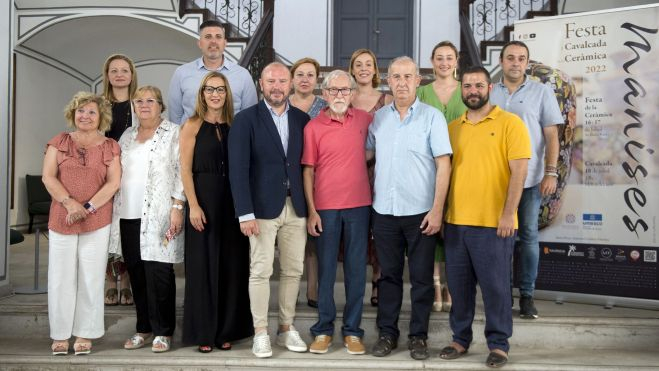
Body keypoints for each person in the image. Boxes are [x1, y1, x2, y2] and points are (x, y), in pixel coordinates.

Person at [439, 65, 531, 368]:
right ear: (461, 90)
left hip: (495, 224)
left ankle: (499, 344)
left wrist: (508, 214)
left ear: (489, 88)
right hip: (456, 223)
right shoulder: (453, 128)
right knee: (459, 288)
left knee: (495, 287)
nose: (472, 91)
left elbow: (519, 172)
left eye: (478, 85)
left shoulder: (510, 124)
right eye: (467, 86)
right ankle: (460, 339)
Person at [366, 56, 452, 360]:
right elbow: (364, 158)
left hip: (420, 213)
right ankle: (387, 334)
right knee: (387, 277)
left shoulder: (432, 118)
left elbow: (444, 165)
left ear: (418, 80)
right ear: (388, 81)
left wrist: (437, 209)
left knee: (421, 279)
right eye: (396, 77)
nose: (401, 83)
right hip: (384, 212)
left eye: (408, 77)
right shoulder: (379, 119)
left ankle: (419, 336)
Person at [228, 62, 309, 358]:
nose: (277, 86)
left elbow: (305, 166)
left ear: (290, 85)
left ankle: (286, 328)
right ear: (261, 85)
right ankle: (260, 331)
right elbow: (238, 169)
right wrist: (244, 212)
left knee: (293, 270)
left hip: (296, 206)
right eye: (270, 81)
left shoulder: (302, 119)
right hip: (261, 209)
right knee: (261, 270)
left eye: (282, 81)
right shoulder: (246, 119)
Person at [179, 71, 253, 352]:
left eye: (220, 89)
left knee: (233, 266)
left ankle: (227, 330)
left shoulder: (237, 124)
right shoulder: (192, 125)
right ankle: (204, 333)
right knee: (203, 268)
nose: (215, 94)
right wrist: (193, 205)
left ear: (227, 94)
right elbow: (184, 169)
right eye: (210, 89)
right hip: (204, 203)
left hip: (233, 204)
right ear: (202, 94)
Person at [43, 92, 121, 355]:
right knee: (60, 277)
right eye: (80, 111)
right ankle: (61, 335)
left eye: (91, 112)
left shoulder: (110, 146)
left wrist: (87, 207)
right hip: (62, 216)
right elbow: (48, 177)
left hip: (96, 219)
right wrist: (70, 204)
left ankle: (85, 334)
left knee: (91, 277)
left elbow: (113, 183)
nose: (84, 116)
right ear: (72, 114)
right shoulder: (59, 142)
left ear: (101, 117)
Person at [108, 86, 185, 353]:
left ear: (160, 105)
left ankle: (164, 331)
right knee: (138, 275)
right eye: (138, 101)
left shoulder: (173, 132)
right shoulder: (126, 136)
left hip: (160, 215)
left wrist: (177, 205)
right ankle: (143, 328)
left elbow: (181, 171)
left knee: (160, 273)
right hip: (128, 215)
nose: (144, 105)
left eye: (150, 100)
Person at [489, 40, 563, 319]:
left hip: (530, 180)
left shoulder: (541, 92)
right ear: (501, 60)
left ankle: (527, 296)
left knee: (529, 236)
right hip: (495, 181)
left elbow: (551, 135)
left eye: (521, 58)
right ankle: (503, 294)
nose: (515, 63)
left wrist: (551, 172)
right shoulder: (490, 92)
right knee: (499, 238)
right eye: (510, 58)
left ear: (527, 62)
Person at [303, 70, 372, 355]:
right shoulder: (313, 127)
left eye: (345, 90)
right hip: (326, 208)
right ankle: (323, 329)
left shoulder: (366, 120)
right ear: (324, 94)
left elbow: (376, 149)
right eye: (334, 91)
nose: (340, 96)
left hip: (359, 206)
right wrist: (312, 211)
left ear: (354, 93)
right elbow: (308, 171)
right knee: (327, 271)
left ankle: (353, 331)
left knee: (357, 272)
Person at [416, 41, 468, 312]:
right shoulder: (422, 92)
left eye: (449, 58)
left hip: (463, 167)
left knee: (455, 226)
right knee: (431, 225)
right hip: (429, 168)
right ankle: (436, 283)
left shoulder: (466, 90)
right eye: (439, 58)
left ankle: (452, 283)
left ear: (457, 61)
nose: (444, 63)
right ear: (432, 61)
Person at [348, 48, 392, 306]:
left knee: (380, 230)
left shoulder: (386, 100)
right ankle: (356, 284)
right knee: (357, 231)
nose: (364, 68)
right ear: (352, 69)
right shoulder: (345, 97)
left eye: (369, 64)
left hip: (379, 171)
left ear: (375, 70)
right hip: (350, 171)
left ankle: (378, 280)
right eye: (358, 64)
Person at [288, 57, 327, 309]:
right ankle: (290, 291)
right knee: (292, 234)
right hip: (288, 176)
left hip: (317, 174)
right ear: (292, 78)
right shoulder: (281, 103)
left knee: (314, 238)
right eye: (300, 74)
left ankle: (313, 289)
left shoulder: (324, 106)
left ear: (317, 80)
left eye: (310, 75)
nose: (304, 79)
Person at [101, 53, 138, 307]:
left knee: (123, 228)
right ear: (107, 76)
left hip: (130, 173)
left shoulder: (139, 105)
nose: (119, 74)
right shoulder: (99, 104)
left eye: (124, 70)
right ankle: (109, 280)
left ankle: (125, 281)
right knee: (105, 229)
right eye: (114, 70)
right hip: (102, 174)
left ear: (131, 75)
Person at [168, 20, 258, 125]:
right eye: (208, 37)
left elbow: (250, 117)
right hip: (191, 139)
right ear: (200, 43)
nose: (213, 41)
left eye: (218, 37)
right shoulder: (181, 73)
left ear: (225, 43)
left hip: (230, 139)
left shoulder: (243, 75)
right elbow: (175, 118)